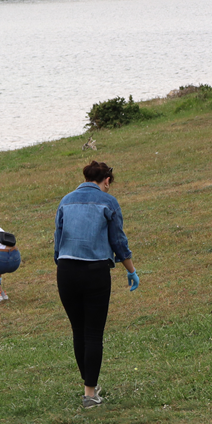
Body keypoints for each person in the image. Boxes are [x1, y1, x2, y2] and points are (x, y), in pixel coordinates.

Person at [53, 162, 139, 409]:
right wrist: (131, 271)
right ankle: (90, 395)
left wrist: (63, 263)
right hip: (95, 271)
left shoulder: (65, 201)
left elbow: (58, 242)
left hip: (66, 271)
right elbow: (118, 242)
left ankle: (88, 383)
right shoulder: (108, 202)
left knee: (78, 330)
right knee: (93, 333)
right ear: (107, 181)